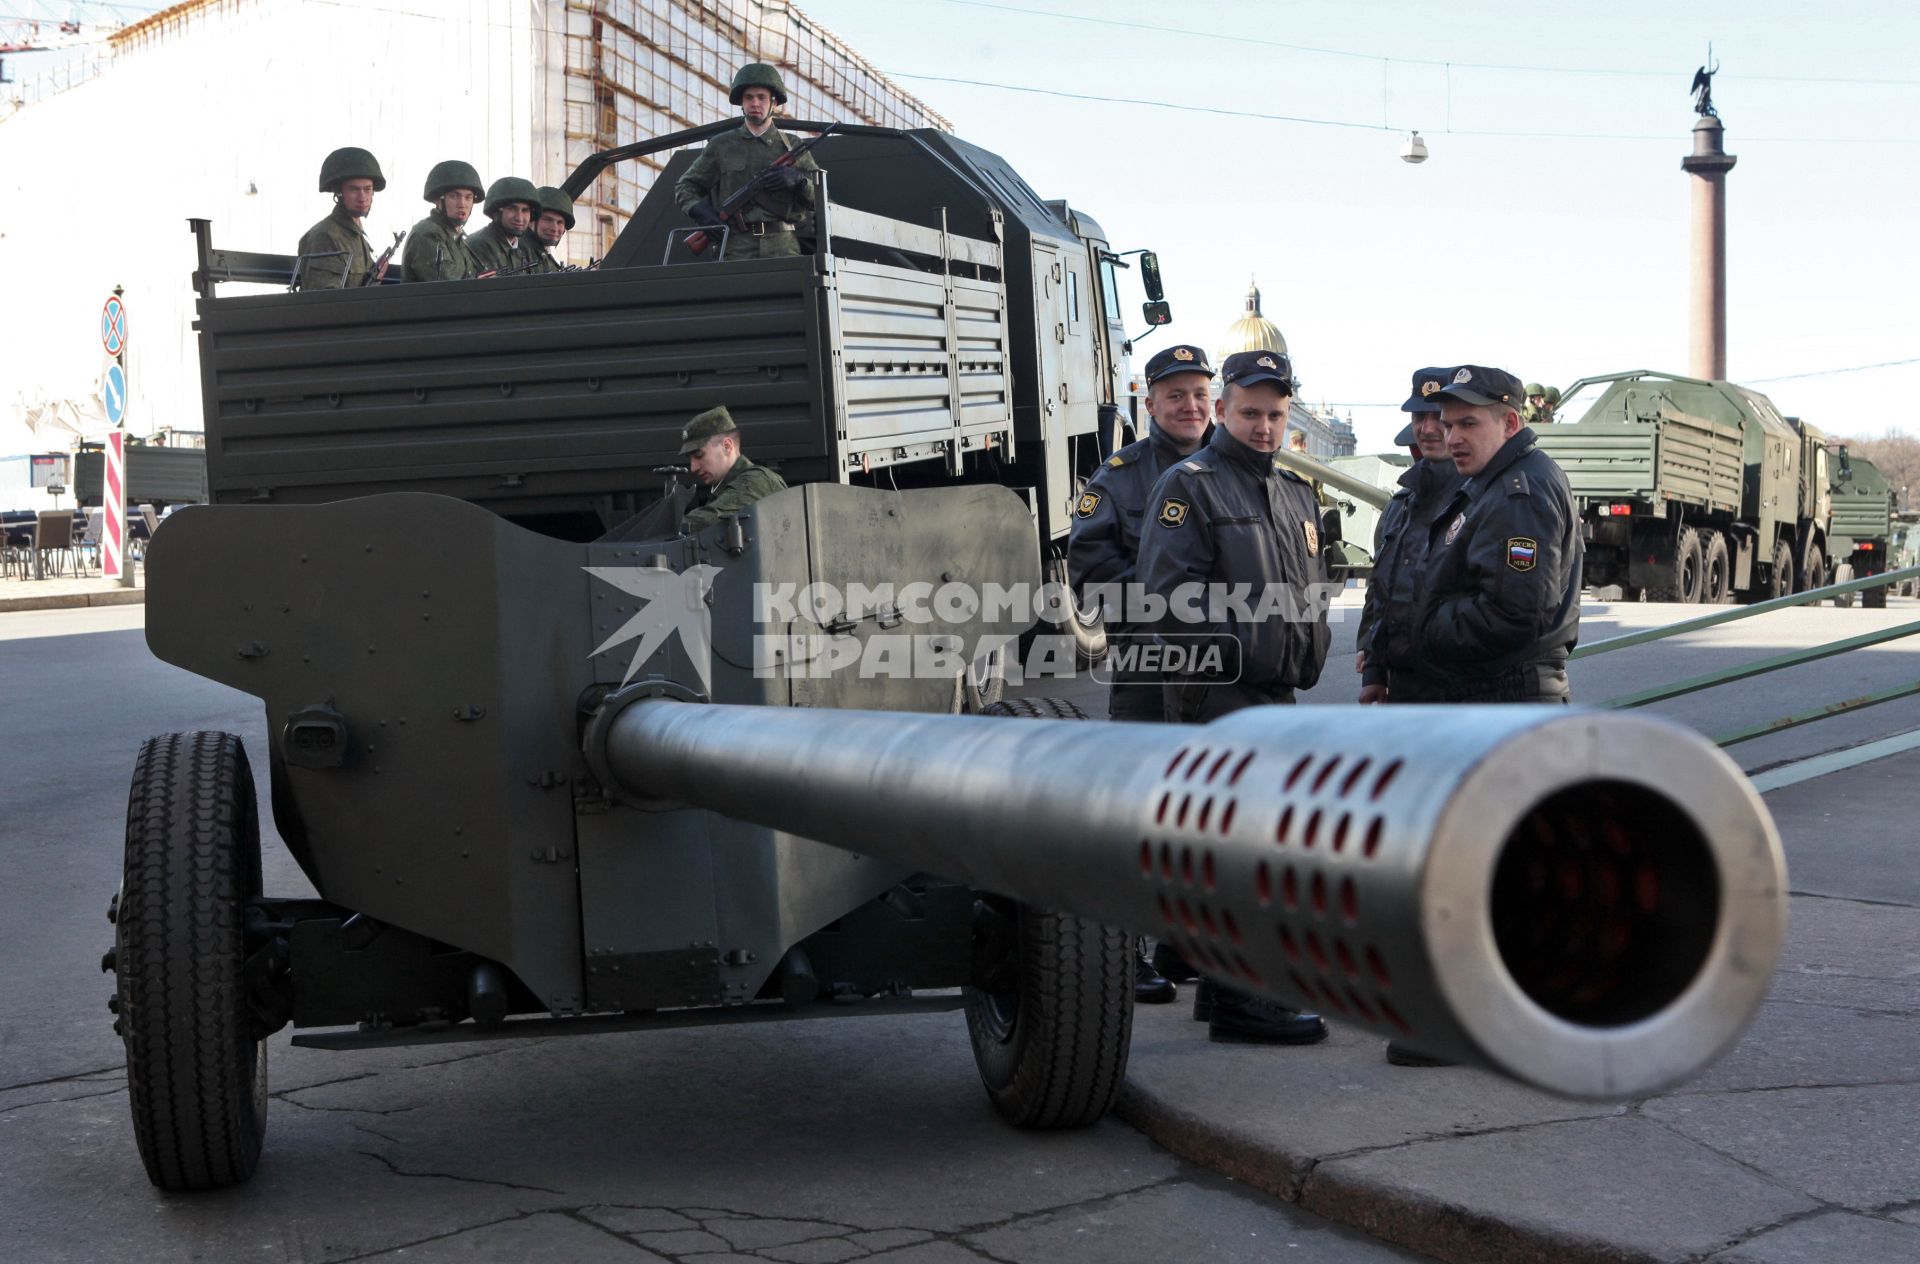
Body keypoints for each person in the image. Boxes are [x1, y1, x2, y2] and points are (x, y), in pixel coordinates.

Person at [1135, 349, 1330, 1045]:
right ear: (1222, 410)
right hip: (1220, 693)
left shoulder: (1290, 492)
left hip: (1271, 692)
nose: (1264, 426)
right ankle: (1245, 999)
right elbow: (1167, 599)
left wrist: (1305, 652)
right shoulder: (1191, 485)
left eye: (1276, 415)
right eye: (1250, 412)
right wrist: (1244, 654)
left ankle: (1229, 992)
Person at [1067, 343, 1215, 1006]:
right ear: (1149, 402)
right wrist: (1174, 598)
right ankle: (1125, 951)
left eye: (1199, 394)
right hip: (1150, 666)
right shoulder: (1118, 477)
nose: (1189, 406)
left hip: (1224, 673)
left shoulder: (1240, 465)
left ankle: (1188, 943)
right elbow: (1090, 569)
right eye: (1175, 394)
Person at [1408, 365, 1582, 704]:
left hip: (1509, 697)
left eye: (1468, 424)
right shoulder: (1498, 479)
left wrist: (1427, 621)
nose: (1452, 438)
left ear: (1510, 424)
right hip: (1499, 693)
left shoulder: (1519, 493)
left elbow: (1515, 614)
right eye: (1449, 425)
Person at [1355, 368, 1465, 706]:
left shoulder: (1478, 498)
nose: (1427, 428)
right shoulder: (1402, 502)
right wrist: (1374, 668)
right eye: (1419, 416)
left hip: (1460, 688)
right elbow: (1382, 589)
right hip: (1405, 687)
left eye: (1438, 417)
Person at [673, 63, 820, 261]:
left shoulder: (792, 146)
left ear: (773, 103)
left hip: (782, 247)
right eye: (749, 97)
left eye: (762, 97)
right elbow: (685, 186)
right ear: (741, 103)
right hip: (735, 248)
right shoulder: (722, 145)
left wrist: (800, 182)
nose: (755, 103)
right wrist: (703, 214)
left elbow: (821, 199)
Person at [679, 406, 789, 533]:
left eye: (699, 455)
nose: (693, 467)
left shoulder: (756, 481)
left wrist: (665, 526)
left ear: (727, 446)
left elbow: (708, 519)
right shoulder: (723, 490)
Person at [296, 147, 383, 289]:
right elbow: (327, 302)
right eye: (354, 189)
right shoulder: (325, 236)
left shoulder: (355, 235)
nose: (362, 198)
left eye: (367, 189)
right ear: (339, 193)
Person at [402, 160, 485, 282]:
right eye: (454, 196)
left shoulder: (456, 237)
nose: (462, 204)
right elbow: (447, 288)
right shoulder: (426, 234)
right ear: (438, 199)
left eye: (468, 197)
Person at [468, 177, 540, 276]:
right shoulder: (480, 245)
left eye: (525, 210)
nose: (519, 217)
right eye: (512, 209)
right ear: (496, 212)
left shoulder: (523, 247)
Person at [529, 187, 575, 273]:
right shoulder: (517, 253)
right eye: (548, 220)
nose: (554, 228)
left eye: (560, 222)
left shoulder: (544, 254)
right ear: (531, 220)